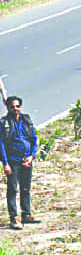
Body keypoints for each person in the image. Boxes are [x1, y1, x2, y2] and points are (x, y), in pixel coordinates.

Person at [1, 96, 38, 230]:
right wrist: (5, 163)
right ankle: (13, 218)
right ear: (8, 108)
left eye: (17, 106)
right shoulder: (4, 123)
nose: (15, 109)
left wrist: (31, 156)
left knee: (26, 189)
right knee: (12, 190)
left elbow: (34, 138)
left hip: (26, 160)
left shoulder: (26, 120)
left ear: (20, 107)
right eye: (12, 107)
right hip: (12, 162)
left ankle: (26, 214)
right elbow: (1, 145)